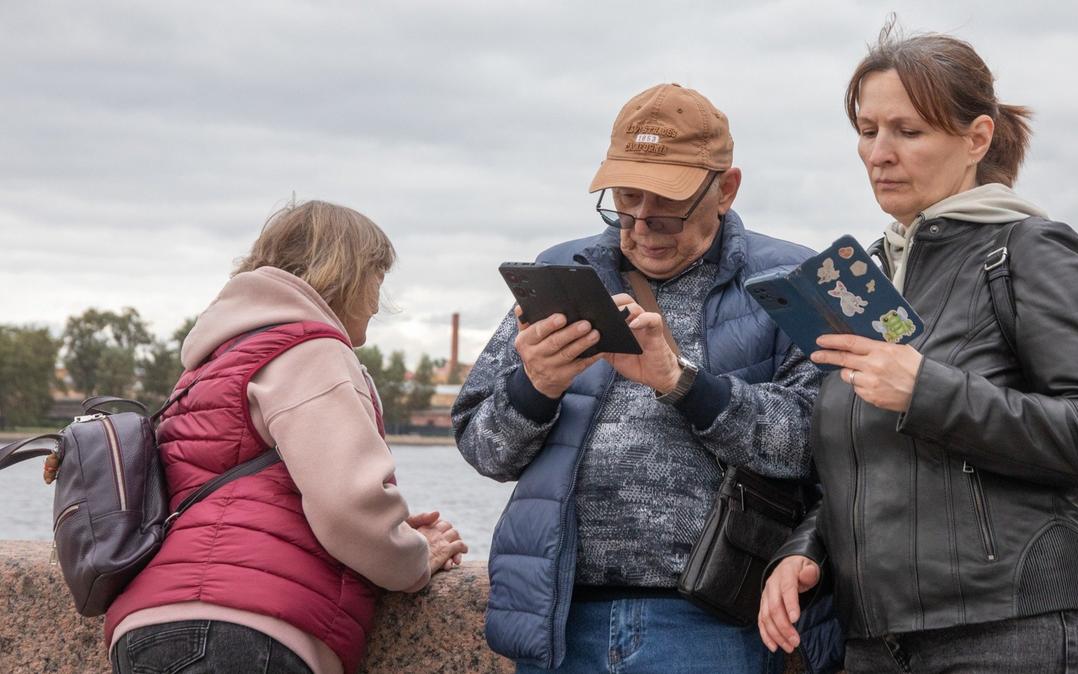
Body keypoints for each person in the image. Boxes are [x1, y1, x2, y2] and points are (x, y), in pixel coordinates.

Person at [759, 21, 1078, 674]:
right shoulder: (865, 276)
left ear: (977, 137)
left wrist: (926, 388)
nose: (879, 152)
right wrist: (807, 551)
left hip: (1017, 632)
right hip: (877, 641)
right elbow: (866, 460)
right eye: (867, 128)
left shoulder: (1030, 250)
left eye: (907, 131)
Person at [453, 83, 839, 673]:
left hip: (707, 617)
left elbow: (816, 447)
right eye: (626, 201)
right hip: (555, 613)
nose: (642, 226)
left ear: (727, 189)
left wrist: (683, 383)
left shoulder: (792, 278)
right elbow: (484, 448)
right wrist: (535, 386)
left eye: (667, 205)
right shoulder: (561, 270)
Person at [106, 201, 468, 674]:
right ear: (347, 273)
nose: (379, 301)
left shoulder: (214, 360)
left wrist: (391, 532)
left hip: (148, 627)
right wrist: (415, 557)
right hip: (242, 633)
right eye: (378, 276)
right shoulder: (310, 350)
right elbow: (349, 506)